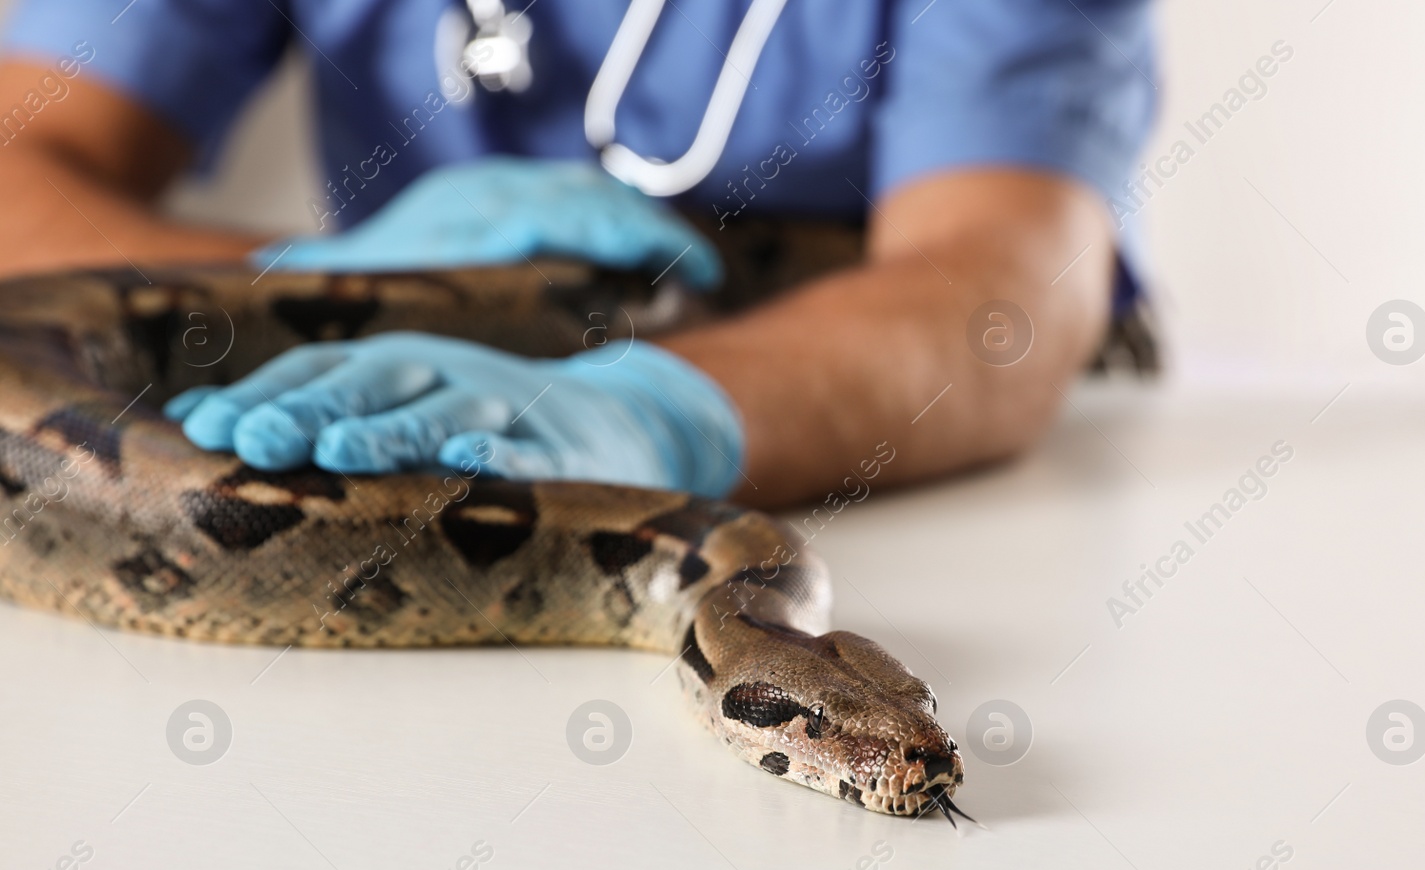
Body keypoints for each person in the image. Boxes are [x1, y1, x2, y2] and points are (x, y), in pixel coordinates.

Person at [0, 0, 1156, 508]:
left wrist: (661, 413)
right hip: (399, 402)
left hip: (911, 443)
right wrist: (297, 277)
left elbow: (1005, 289)